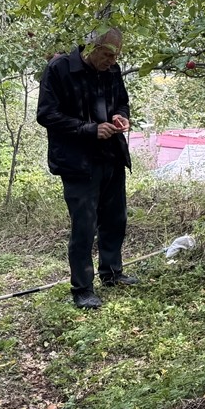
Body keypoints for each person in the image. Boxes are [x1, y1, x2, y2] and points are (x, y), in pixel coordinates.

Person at [36, 27, 137, 309]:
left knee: (116, 219)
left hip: (111, 156)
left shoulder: (112, 71)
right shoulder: (59, 69)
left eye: (115, 57)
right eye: (106, 55)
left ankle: (112, 273)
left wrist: (120, 116)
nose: (111, 62)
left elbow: (122, 102)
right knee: (84, 226)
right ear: (91, 48)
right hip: (77, 162)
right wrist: (88, 129)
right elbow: (46, 114)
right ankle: (82, 288)